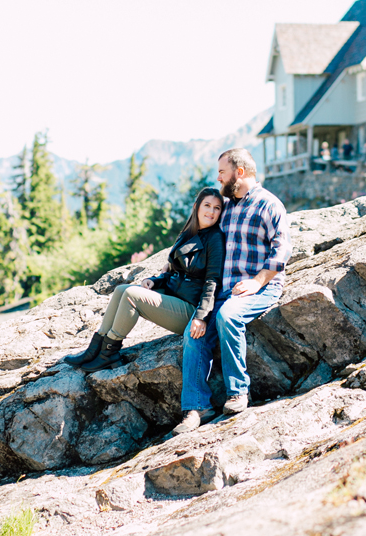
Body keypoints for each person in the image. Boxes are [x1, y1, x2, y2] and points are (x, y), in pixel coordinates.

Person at [174, 148, 291, 435]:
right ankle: (197, 407)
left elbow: (282, 249)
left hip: (258, 288)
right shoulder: (227, 207)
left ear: (239, 173)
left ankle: (238, 393)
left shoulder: (268, 204)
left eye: (222, 172)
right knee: (194, 333)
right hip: (224, 290)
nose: (218, 177)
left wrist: (258, 281)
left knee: (227, 317)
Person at [65, 188, 226, 373]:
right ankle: (95, 349)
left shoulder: (215, 238)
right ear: (196, 206)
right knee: (121, 290)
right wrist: (155, 281)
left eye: (217, 208)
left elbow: (212, 281)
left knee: (132, 296)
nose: (211, 212)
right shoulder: (188, 232)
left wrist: (201, 317)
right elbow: (176, 270)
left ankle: (109, 353)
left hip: (190, 309)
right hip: (175, 295)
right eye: (207, 205)